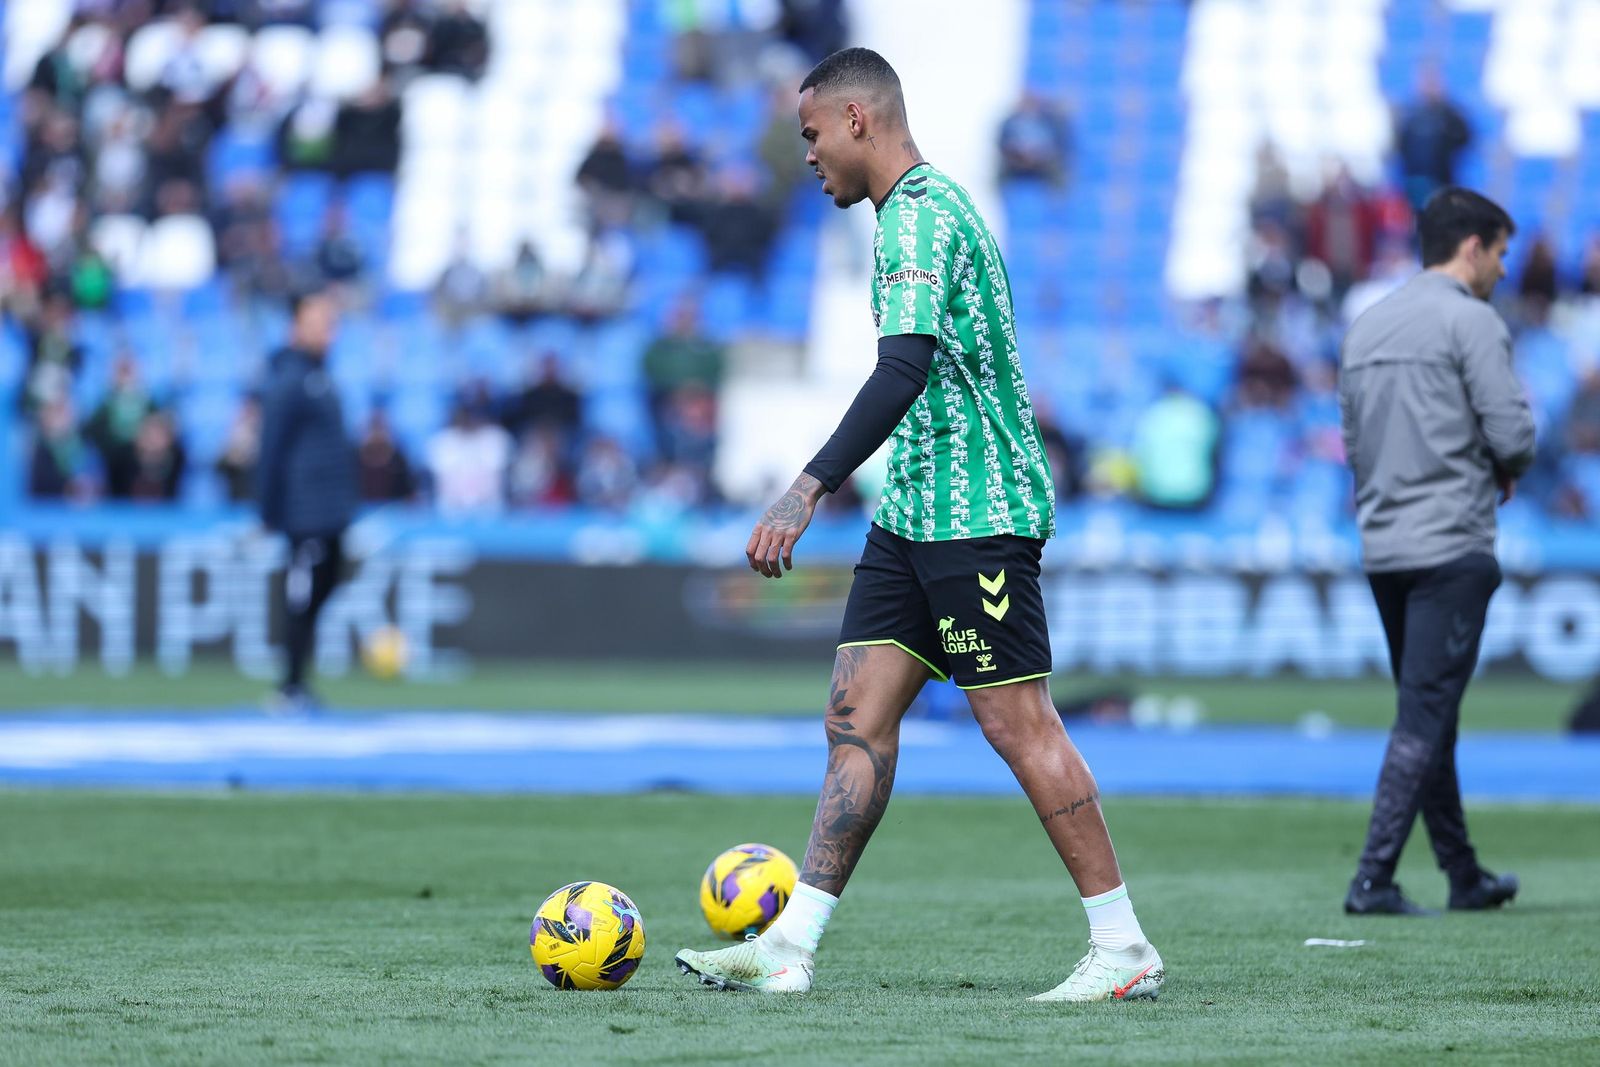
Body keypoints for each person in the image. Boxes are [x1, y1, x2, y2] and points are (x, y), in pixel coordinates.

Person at [674, 48, 1163, 1003]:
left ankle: (1123, 945)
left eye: (812, 134)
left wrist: (804, 488)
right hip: (913, 512)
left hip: (978, 512)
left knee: (1015, 721)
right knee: (855, 715)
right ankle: (790, 945)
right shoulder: (907, 216)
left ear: (858, 121)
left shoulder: (922, 220)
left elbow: (901, 370)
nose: (807, 155)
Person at [1338, 187, 1535, 916]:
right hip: (1452, 540)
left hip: (1385, 545)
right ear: (1473, 246)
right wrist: (1501, 463)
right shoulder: (1471, 322)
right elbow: (1513, 434)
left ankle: (1461, 872)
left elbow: (1354, 445)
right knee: (1426, 710)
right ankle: (1372, 878)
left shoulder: (1367, 324)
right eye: (1502, 253)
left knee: (1430, 705)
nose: (1505, 271)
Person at [257, 288, 358, 711]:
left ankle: (298, 680)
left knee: (323, 588)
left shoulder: (321, 376)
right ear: (296, 326)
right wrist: (268, 510)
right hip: (304, 512)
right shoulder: (290, 379)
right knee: (301, 594)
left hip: (331, 510)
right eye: (320, 323)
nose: (328, 333)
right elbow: (271, 448)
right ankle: (290, 684)